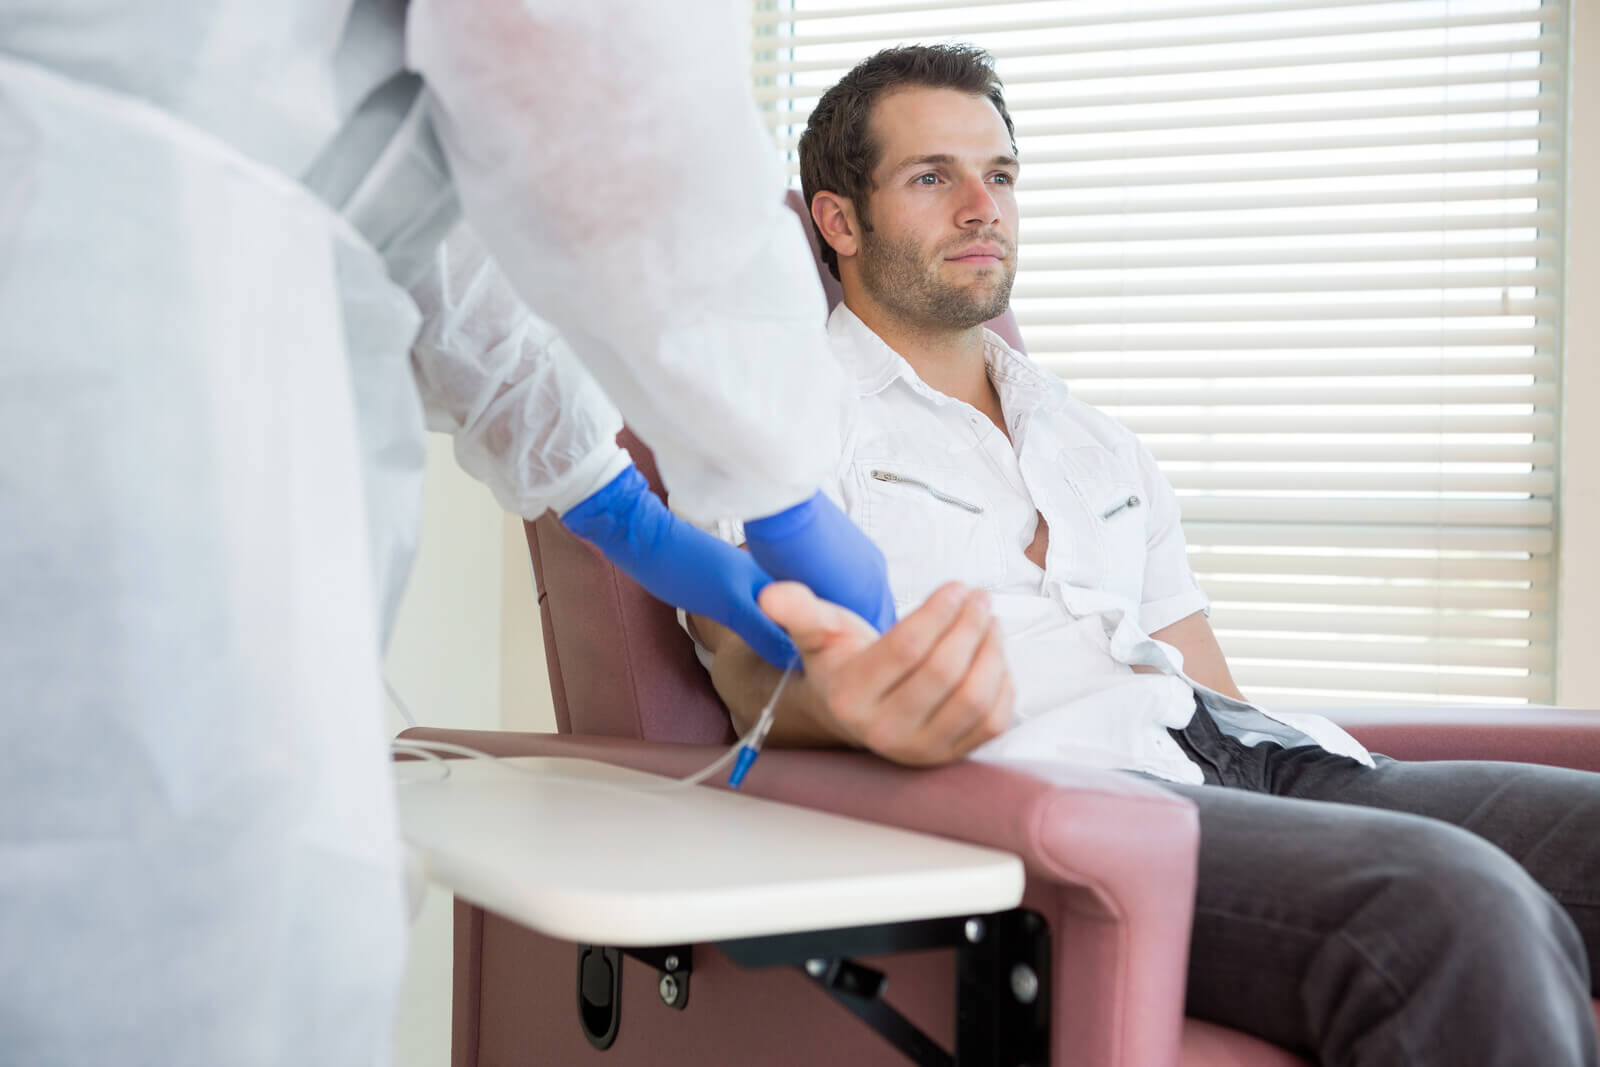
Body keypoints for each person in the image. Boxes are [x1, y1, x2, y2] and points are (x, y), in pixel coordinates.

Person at [0, 3, 895, 1064]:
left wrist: (617, 499)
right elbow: (590, 64)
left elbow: (426, 228)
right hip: (121, 317)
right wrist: (774, 465)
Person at [690, 44, 1600, 1065]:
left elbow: (1197, 669)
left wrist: (1314, 829)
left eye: (1000, 174)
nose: (983, 205)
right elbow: (743, 673)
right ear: (838, 221)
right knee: (1448, 903)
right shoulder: (780, 422)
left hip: (1252, 762)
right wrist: (849, 704)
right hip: (1071, 804)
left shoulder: (1088, 434)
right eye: (932, 176)